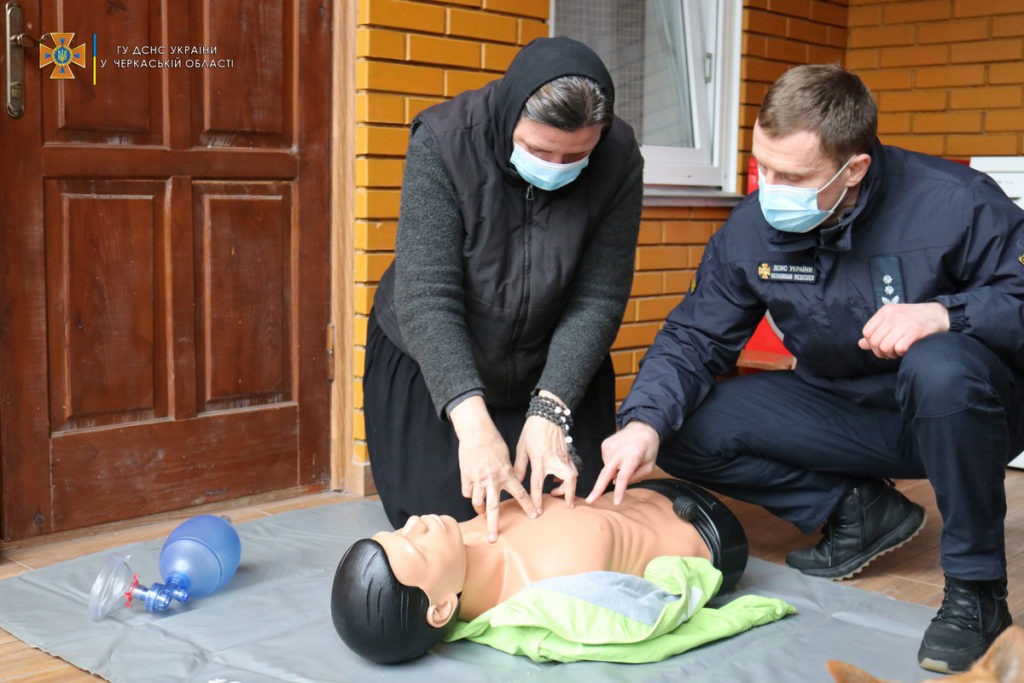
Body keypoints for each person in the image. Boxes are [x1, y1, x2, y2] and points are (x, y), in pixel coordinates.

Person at [589, 64, 1024, 675]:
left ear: (856, 169)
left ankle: (977, 593)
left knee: (940, 366)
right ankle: (853, 507)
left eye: (791, 176)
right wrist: (642, 423)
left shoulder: (956, 201)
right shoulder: (753, 227)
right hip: (843, 410)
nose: (770, 189)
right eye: (762, 167)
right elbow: (695, 336)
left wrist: (945, 314)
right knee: (677, 423)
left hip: (965, 413)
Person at [365, 36, 643, 541]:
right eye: (538, 150)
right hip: (438, 354)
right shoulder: (445, 140)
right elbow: (428, 294)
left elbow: (598, 297)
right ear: (510, 117)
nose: (557, 168)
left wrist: (552, 411)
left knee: (566, 504)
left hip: (550, 356)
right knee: (454, 518)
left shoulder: (619, 156)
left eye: (575, 155)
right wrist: (472, 427)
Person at [331, 479, 748, 664]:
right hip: (710, 532)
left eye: (400, 529)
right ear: (440, 610)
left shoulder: (461, 533)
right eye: (415, 545)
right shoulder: (548, 585)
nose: (417, 523)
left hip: (651, 485)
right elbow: (647, 616)